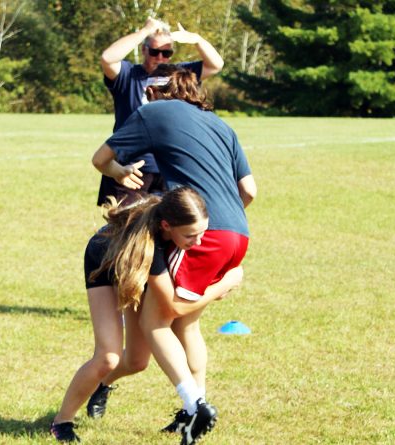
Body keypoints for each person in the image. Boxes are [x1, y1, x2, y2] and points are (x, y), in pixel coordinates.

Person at [91, 64, 257, 445]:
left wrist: (120, 173)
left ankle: (195, 405)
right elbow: (249, 190)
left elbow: (100, 159)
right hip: (237, 233)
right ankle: (190, 419)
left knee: (156, 324)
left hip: (199, 233)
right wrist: (224, 225)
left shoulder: (153, 111)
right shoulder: (219, 124)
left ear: (157, 92)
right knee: (187, 327)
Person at [50, 187, 244, 443]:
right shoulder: (150, 248)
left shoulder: (171, 230)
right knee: (107, 357)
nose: (197, 244)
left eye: (202, 234)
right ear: (166, 226)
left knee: (137, 361)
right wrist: (224, 283)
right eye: (190, 236)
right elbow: (175, 309)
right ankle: (61, 422)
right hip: (103, 264)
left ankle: (101, 385)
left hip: (133, 268)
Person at [97, 17, 224, 206]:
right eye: (155, 51)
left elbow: (215, 65)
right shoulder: (128, 74)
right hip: (132, 168)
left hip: (170, 166)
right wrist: (144, 32)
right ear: (144, 50)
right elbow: (107, 58)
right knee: (125, 229)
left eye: (167, 53)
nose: (160, 58)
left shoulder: (178, 75)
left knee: (168, 229)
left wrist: (196, 39)